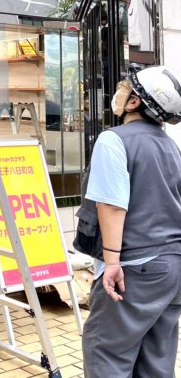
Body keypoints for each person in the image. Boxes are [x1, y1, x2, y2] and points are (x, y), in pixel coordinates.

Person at [81, 65, 181, 377]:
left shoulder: (114, 140)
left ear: (135, 102)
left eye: (126, 87)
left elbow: (111, 205)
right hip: (171, 268)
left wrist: (111, 263)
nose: (119, 92)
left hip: (133, 267)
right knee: (155, 362)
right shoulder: (170, 146)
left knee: (106, 354)